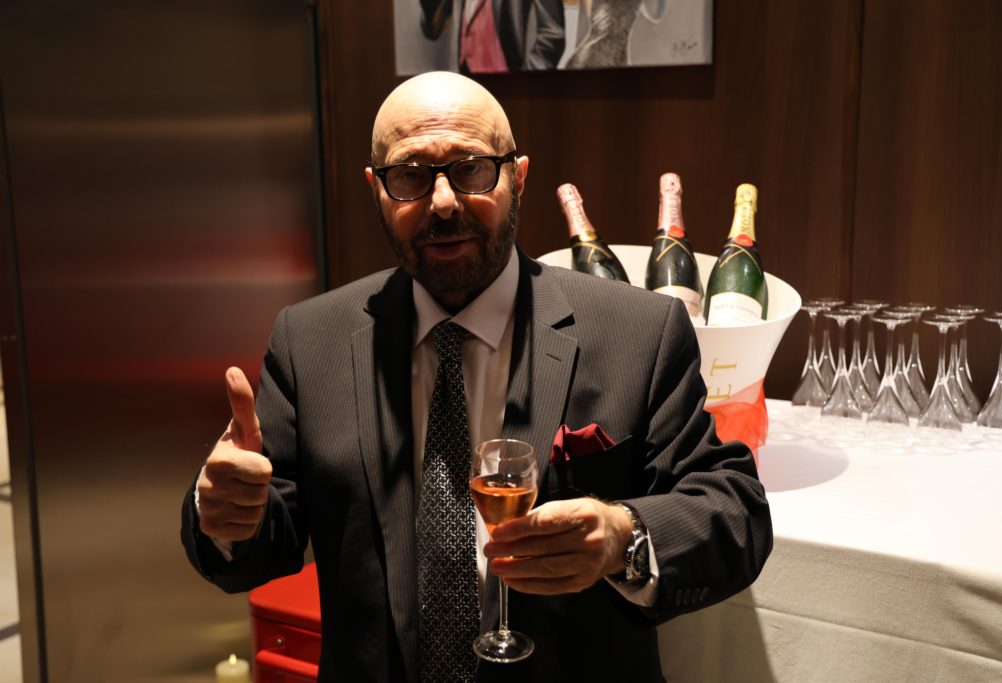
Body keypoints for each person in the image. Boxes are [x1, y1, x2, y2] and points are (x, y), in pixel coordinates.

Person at [181, 71, 772, 682]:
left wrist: (623, 537)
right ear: (376, 189)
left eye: (471, 169)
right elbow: (263, 535)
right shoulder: (310, 341)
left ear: (519, 177)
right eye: (410, 175)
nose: (442, 202)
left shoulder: (637, 331)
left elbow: (735, 510)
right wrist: (224, 516)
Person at [419, 0, 566, 73]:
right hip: (468, 88)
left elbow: (553, 32)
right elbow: (434, 30)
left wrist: (527, 79)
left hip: (513, 91)